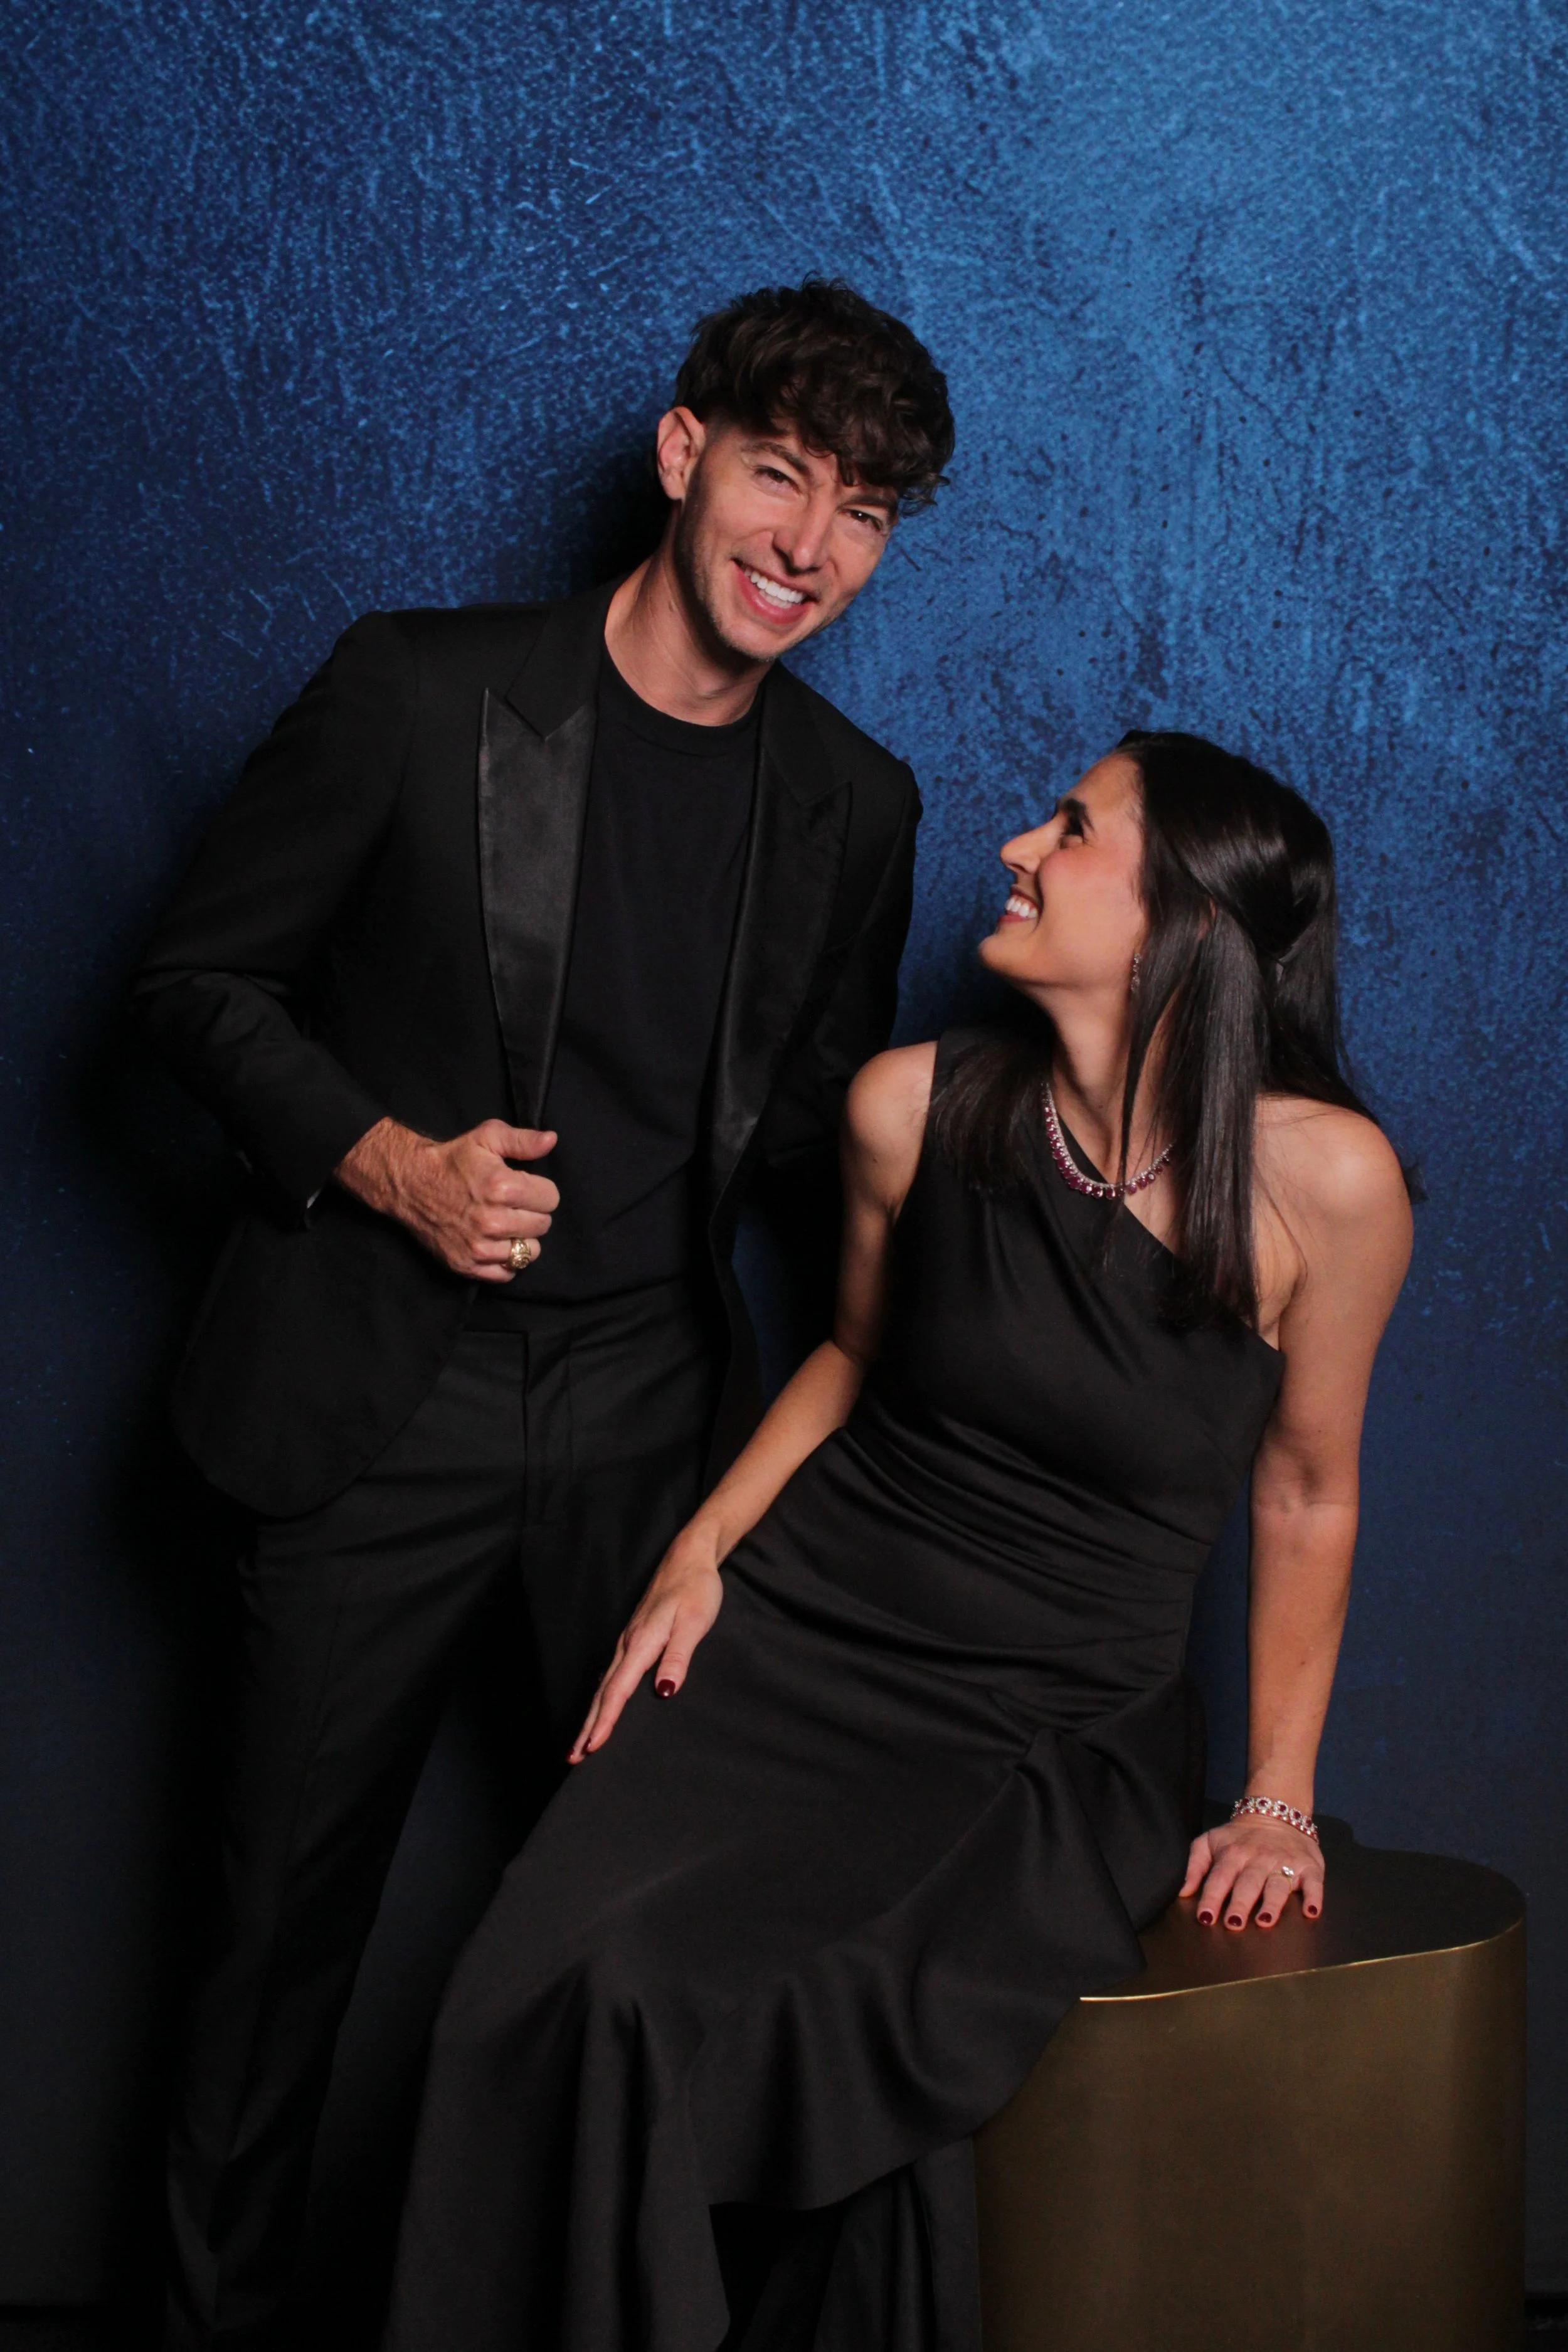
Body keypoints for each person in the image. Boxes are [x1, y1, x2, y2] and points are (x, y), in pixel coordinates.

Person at [130, 277, 955, 2352]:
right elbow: (187, 990)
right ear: (684, 456)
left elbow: (811, 1155)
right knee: (260, 1971)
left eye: (863, 512)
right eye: (780, 474)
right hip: (370, 1412)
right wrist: (389, 1155)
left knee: (663, 1961)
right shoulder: (415, 695)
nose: (809, 545)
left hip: (647, 1439)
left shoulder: (858, 808)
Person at [379, 730, 1415, 2352]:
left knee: (777, 2010)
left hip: (1044, 1714)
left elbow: (1305, 1489)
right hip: (795, 1639)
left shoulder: (1322, 1184)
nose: (1015, 843)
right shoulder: (908, 1108)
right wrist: (696, 1551)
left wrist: (1278, 1798)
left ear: (1185, 929)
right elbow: (851, 1358)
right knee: (530, 1991)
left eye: (1072, 828)